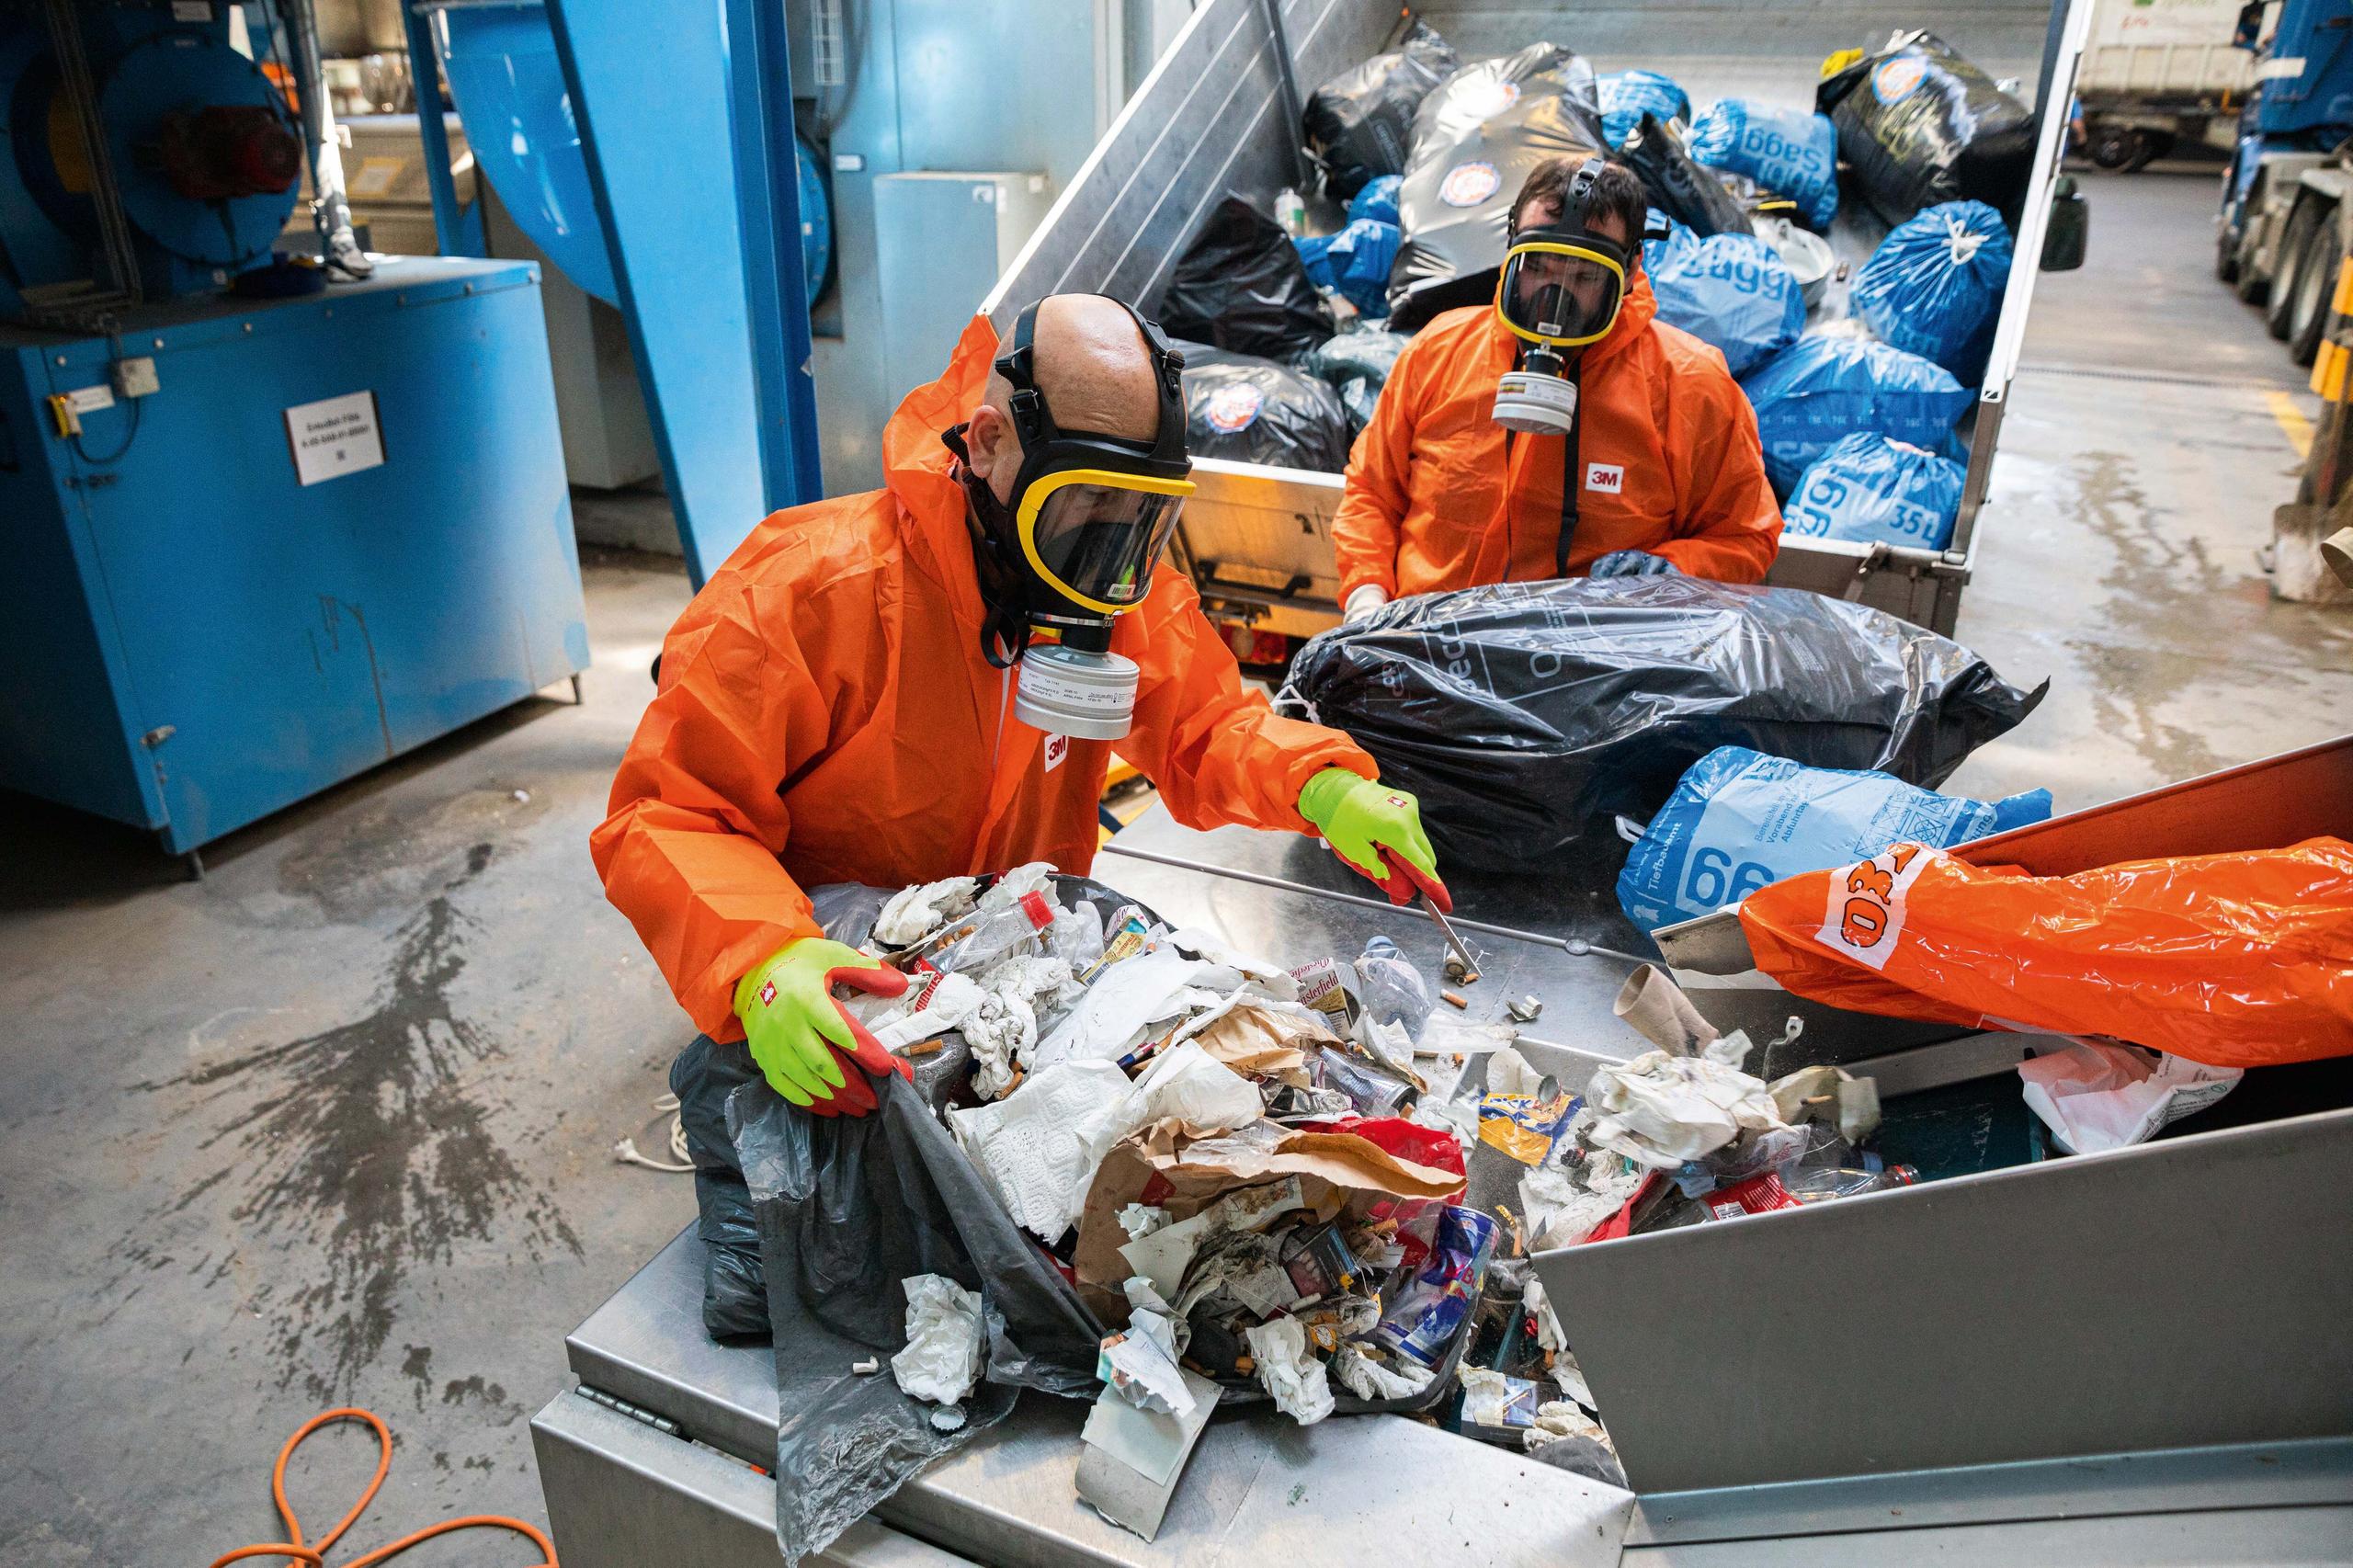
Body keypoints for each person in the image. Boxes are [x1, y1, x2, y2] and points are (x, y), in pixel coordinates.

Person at [592, 294, 1448, 1114]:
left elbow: (1206, 723)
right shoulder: (809, 590)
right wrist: (762, 959)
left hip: (1018, 977)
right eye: (1089, 499)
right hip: (843, 994)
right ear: (993, 442)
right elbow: (668, 814)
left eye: (1140, 510)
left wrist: (1321, 783)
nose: (1112, 541)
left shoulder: (1111, 588)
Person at [1333, 153, 1781, 620]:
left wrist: (1671, 571)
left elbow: (1746, 537)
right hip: (1423, 647)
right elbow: (1372, 491)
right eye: (1539, 267)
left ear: (1629, 271)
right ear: (1512, 248)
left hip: (1592, 670)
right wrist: (1367, 595)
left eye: (1585, 277)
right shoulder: (1439, 352)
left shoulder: (1690, 386)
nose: (1555, 295)